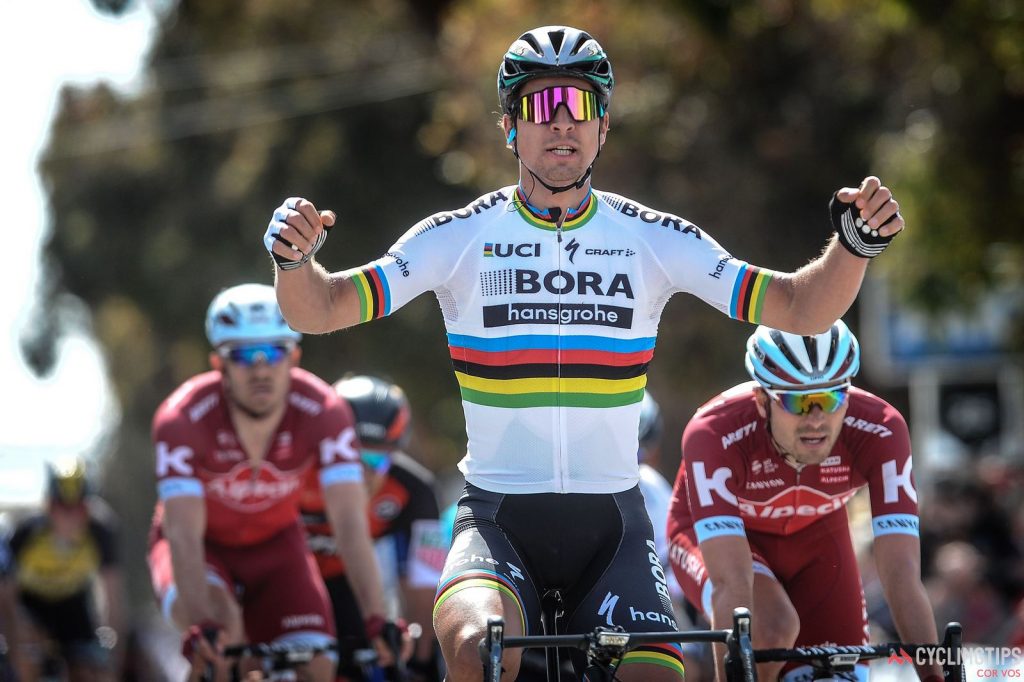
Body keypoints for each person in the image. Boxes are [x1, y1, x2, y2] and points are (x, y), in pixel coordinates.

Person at [261, 23, 905, 681]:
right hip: (499, 520)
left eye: (580, 104)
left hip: (613, 529)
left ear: (603, 127)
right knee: (478, 646)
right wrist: (294, 262)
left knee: (658, 677)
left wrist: (854, 247)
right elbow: (322, 308)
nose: (561, 121)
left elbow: (800, 307)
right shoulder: (457, 236)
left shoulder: (652, 236)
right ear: (510, 127)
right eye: (541, 105)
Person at [667, 320, 942, 682]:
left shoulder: (881, 428)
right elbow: (730, 583)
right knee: (770, 626)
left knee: (840, 673)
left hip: (817, 537)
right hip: (722, 541)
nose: (816, 419)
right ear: (762, 401)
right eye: (798, 401)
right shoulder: (716, 431)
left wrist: (934, 676)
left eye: (831, 398)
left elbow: (901, 575)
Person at [147, 283, 394, 682]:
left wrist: (377, 617)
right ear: (219, 364)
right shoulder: (182, 419)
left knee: (317, 663)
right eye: (243, 355)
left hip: (277, 545)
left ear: (294, 357)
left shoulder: (324, 411)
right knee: (221, 635)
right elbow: (183, 533)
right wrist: (201, 624)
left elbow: (349, 524)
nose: (261, 369)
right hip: (202, 548)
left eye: (274, 352)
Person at [300, 374, 445, 681]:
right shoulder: (295, 471)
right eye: (348, 455)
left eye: (376, 459)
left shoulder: (415, 492)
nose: (361, 472)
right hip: (290, 581)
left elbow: (424, 584)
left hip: (351, 586)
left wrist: (421, 665)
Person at [1, 456, 124, 682]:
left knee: (92, 669)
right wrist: (15, 645)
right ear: (48, 506)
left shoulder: (101, 531)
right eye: (62, 507)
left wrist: (112, 658)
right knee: (27, 655)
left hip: (73, 603)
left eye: (79, 508)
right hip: (30, 604)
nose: (70, 517)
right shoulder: (26, 532)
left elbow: (112, 598)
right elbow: (6, 597)